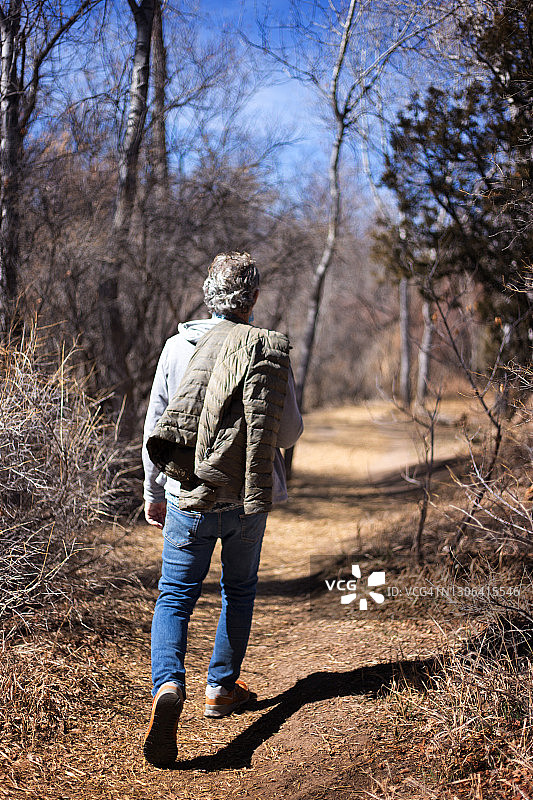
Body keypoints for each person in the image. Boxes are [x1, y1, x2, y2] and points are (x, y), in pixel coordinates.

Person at [142, 252, 303, 768]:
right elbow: (290, 432)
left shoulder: (176, 346)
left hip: (187, 493)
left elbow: (156, 427)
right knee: (239, 591)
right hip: (246, 498)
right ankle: (220, 688)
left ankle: (168, 686)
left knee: (175, 596)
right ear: (253, 298)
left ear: (209, 293)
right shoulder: (270, 351)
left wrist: (152, 492)